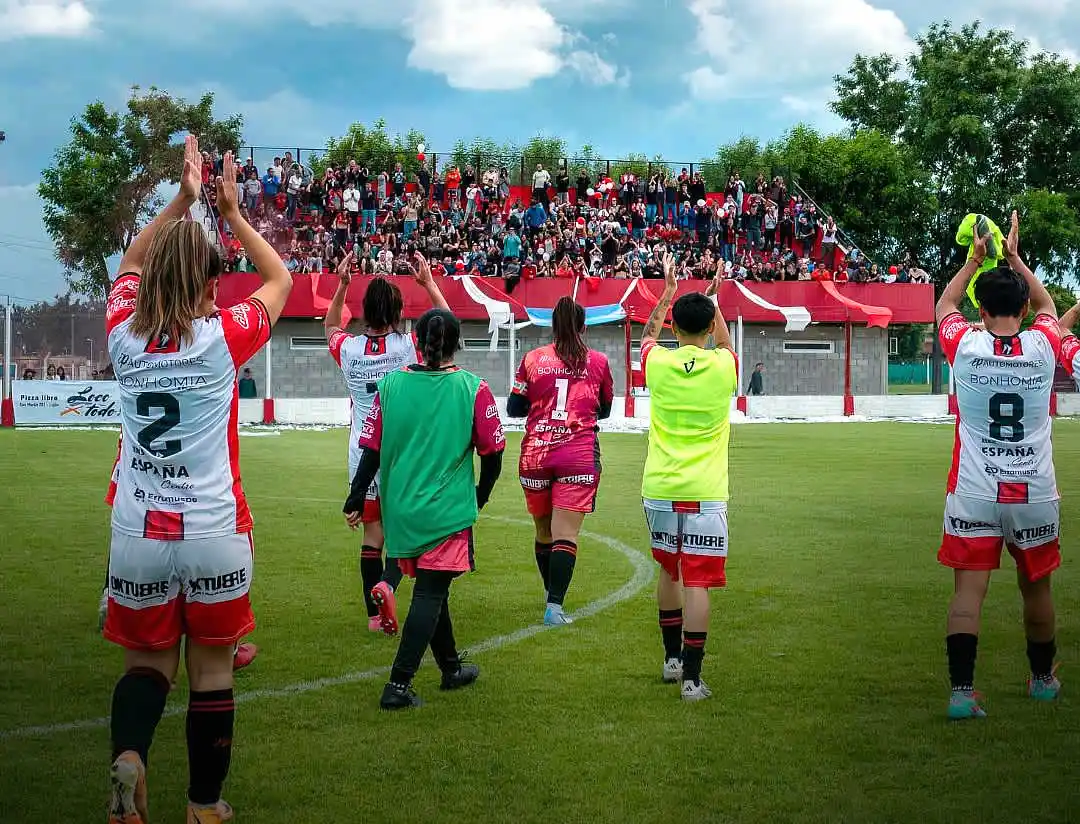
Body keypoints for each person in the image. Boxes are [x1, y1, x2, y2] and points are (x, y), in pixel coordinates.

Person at [102, 137, 292, 824]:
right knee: (212, 673)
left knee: (145, 667)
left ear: (152, 278)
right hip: (213, 528)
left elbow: (129, 260)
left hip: (137, 532)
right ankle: (204, 806)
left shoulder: (121, 328)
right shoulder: (222, 335)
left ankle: (129, 762)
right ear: (210, 282)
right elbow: (280, 282)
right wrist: (232, 212)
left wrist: (179, 201)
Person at [343, 307, 506, 710]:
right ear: (457, 344)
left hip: (400, 510)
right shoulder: (473, 389)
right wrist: (480, 496)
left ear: (416, 342)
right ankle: (398, 685)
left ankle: (451, 668)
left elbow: (370, 450)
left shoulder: (390, 386)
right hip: (446, 511)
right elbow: (494, 454)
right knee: (432, 592)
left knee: (436, 590)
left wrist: (354, 495)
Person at [935, 211, 1062, 720]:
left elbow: (944, 303)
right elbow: (1049, 304)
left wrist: (975, 260)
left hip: (973, 489)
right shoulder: (1043, 343)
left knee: (969, 593)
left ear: (981, 310)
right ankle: (1042, 681)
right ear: (1023, 308)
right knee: (1037, 589)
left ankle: (962, 694)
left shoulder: (964, 343)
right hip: (1033, 490)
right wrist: (1015, 258)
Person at [325, 251, 448, 633]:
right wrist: (427, 283)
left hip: (361, 453)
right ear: (397, 311)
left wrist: (342, 284)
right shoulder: (408, 346)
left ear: (365, 311)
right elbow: (446, 324)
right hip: (401, 453)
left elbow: (330, 326)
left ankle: (374, 618)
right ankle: (388, 584)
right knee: (403, 534)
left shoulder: (348, 348)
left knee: (371, 535)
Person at [640, 254, 737, 702]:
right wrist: (715, 297)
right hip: (706, 491)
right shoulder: (723, 368)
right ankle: (693, 681)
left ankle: (670, 660)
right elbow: (724, 344)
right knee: (697, 581)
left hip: (660, 487)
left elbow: (645, 337)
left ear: (674, 329)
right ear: (709, 327)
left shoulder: (658, 363)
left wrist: (666, 291)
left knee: (668, 570)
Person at [506, 297, 614, 625]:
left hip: (536, 454)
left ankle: (549, 591)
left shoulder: (533, 359)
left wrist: (541, 405)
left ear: (552, 326)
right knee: (565, 534)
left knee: (543, 532)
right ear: (583, 326)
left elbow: (514, 406)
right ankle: (554, 606)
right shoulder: (598, 361)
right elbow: (605, 409)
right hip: (577, 456)